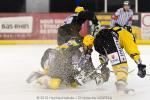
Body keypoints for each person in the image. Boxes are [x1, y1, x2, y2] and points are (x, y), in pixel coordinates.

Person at [94, 26, 146, 94]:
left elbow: (105, 53)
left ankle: (102, 77)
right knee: (122, 65)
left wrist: (104, 65)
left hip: (98, 40)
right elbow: (132, 49)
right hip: (110, 38)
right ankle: (121, 85)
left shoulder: (115, 30)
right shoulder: (126, 33)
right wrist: (139, 64)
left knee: (117, 63)